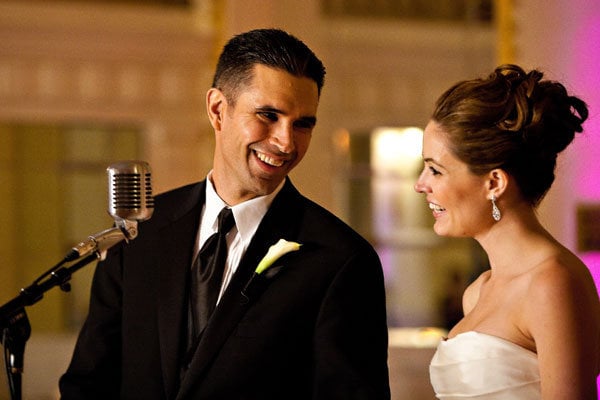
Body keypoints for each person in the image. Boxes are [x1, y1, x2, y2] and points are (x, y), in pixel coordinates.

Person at [59, 28, 390, 399]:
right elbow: (88, 385)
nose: (286, 142)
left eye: (302, 124)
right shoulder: (139, 232)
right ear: (218, 109)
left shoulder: (341, 260)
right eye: (268, 115)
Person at [414, 64, 600, 399]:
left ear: (494, 182)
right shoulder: (478, 292)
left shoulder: (552, 282)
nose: (420, 184)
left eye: (435, 170)